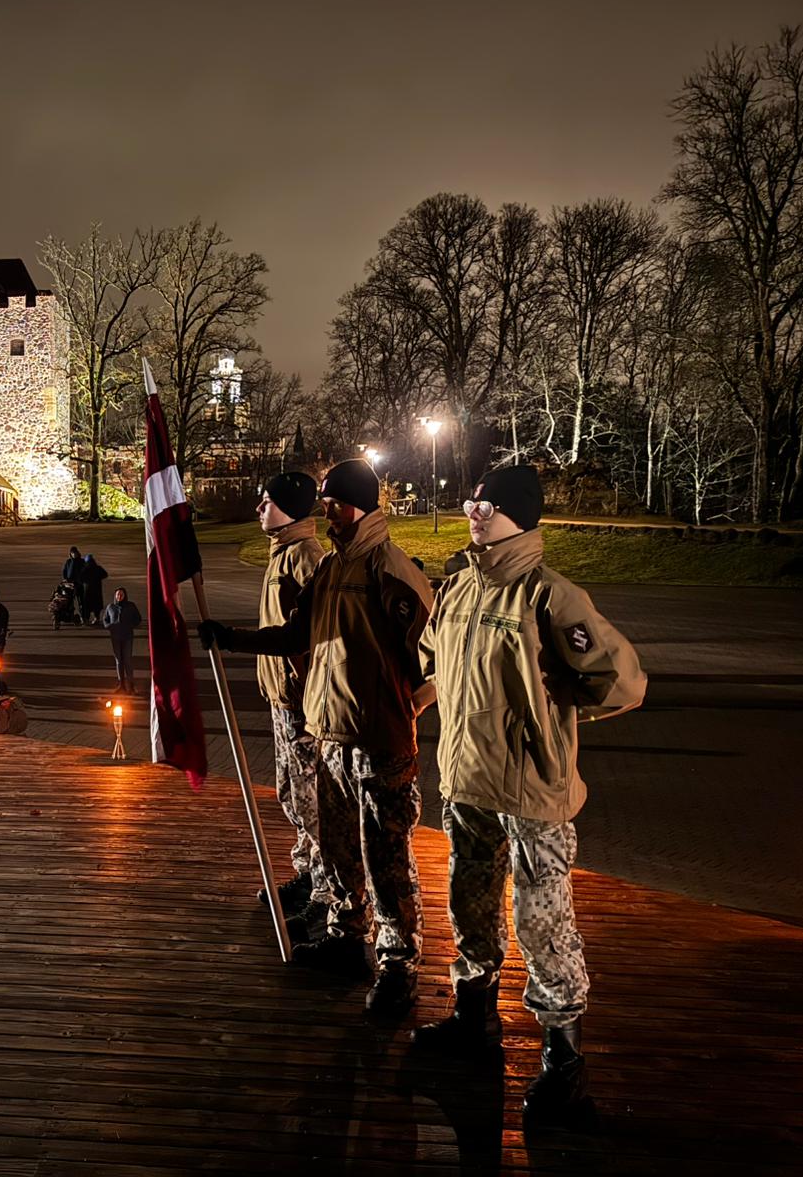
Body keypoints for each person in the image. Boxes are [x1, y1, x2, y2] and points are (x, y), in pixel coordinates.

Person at [412, 465, 646, 1128]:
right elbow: (434, 657)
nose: (475, 512)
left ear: (521, 515)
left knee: (542, 922)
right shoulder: (456, 588)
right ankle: (472, 1017)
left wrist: (554, 722)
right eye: (471, 501)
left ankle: (564, 1058)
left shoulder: (550, 597)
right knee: (470, 901)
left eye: (489, 504)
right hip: (466, 783)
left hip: (532, 793)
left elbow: (621, 683)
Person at [199, 458, 432, 1018]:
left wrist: (403, 709)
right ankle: (347, 937)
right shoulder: (331, 570)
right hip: (331, 736)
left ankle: (398, 963)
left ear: (357, 505)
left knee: (386, 857)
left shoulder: (389, 569)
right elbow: (296, 635)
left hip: (377, 742)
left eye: (332, 502)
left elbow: (431, 658)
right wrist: (231, 639)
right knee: (337, 845)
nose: (324, 511)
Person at [251, 471, 329, 932]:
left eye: (267, 501)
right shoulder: (281, 552)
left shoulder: (304, 558)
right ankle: (306, 872)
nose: (259, 508)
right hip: (282, 700)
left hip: (301, 706)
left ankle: (324, 892)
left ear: (290, 507)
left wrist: (305, 696)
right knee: (291, 793)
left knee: (311, 798)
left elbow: (310, 635)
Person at [101, 586, 143, 693]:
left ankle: (131, 684)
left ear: (125, 596)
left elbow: (138, 619)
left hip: (127, 636)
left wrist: (130, 625)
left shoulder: (130, 606)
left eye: (121, 594)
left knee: (127, 660)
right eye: (118, 594)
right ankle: (121, 684)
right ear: (115, 596)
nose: (119, 596)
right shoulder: (111, 607)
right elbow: (105, 619)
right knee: (119, 661)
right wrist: (110, 626)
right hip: (115, 637)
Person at [80, 553, 108, 626]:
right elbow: (105, 574)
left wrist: (85, 581)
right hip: (97, 590)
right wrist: (98, 578)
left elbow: (80, 578)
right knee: (96, 606)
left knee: (87, 606)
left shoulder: (85, 569)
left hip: (88, 590)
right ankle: (96, 619)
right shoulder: (98, 568)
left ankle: (87, 619)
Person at [62, 546, 87, 624]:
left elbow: (85, 571)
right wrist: (65, 580)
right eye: (72, 553)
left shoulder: (82, 561)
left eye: (75, 553)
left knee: (81, 602)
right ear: (70, 554)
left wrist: (82, 580)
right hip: (70, 585)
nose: (74, 554)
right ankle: (70, 617)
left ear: (77, 553)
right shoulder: (68, 562)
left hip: (79, 585)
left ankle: (83, 617)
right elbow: (64, 571)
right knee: (69, 602)